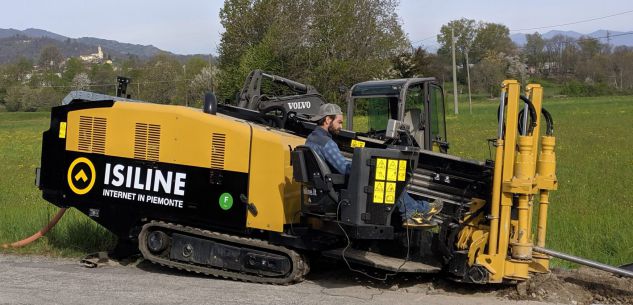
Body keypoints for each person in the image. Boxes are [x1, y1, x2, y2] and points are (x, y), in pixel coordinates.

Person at [305, 103, 442, 227]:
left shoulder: (311, 139)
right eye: (339, 122)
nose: (341, 127)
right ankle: (415, 211)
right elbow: (344, 169)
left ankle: (416, 210)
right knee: (388, 179)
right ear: (328, 120)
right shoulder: (326, 143)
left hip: (326, 188)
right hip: (341, 186)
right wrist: (367, 165)